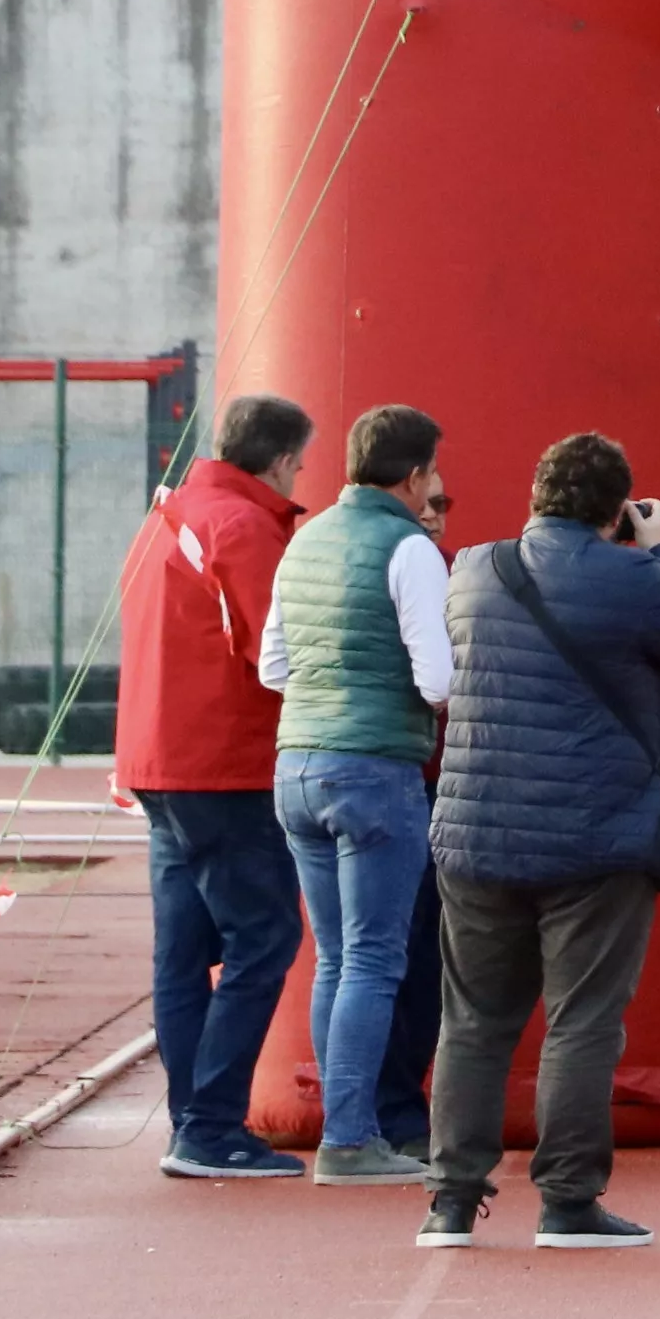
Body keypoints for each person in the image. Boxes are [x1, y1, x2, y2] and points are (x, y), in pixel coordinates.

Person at [422, 433, 660, 1250]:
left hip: (476, 827)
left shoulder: (475, 570)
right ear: (617, 509)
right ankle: (566, 1202)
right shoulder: (633, 574)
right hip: (596, 834)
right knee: (583, 1020)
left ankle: (450, 1201)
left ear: (535, 495)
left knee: (475, 1020)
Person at [120, 393, 316, 1180]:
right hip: (223, 764)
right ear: (276, 460)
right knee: (265, 937)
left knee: (183, 951)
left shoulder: (173, 515)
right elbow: (277, 649)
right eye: (298, 464)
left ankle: (193, 1122)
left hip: (159, 760)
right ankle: (208, 1123)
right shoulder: (241, 527)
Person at [261, 403, 456, 1188]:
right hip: (375, 768)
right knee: (378, 960)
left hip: (296, 763)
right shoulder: (410, 548)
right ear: (413, 477)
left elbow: (274, 668)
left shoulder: (304, 540)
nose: (436, 488)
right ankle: (350, 1138)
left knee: (337, 960)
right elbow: (437, 679)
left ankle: (347, 1129)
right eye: (434, 475)